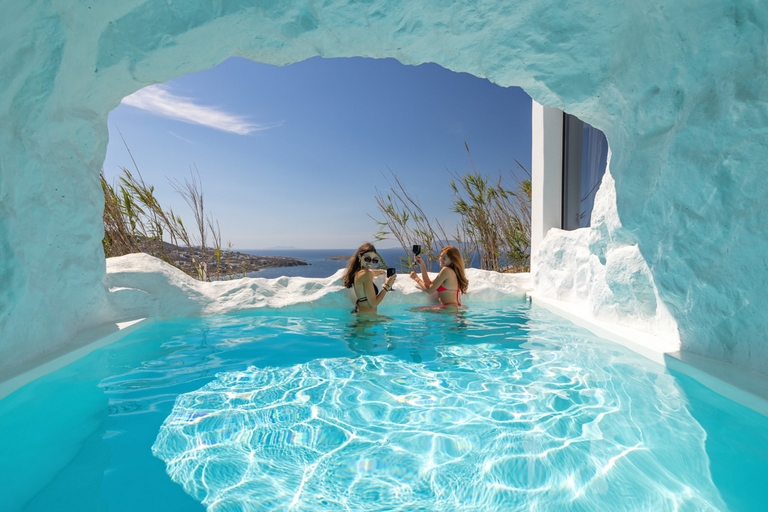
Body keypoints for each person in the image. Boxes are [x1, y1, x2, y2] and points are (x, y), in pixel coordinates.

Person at [341, 243, 397, 314]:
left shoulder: (358, 272)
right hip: (367, 318)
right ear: (360, 256)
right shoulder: (365, 274)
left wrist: (376, 272)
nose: (371, 263)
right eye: (367, 259)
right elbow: (373, 303)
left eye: (374, 260)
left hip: (363, 314)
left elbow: (369, 274)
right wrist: (387, 285)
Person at [410, 246, 469, 310]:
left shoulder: (446, 270)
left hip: (448, 309)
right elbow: (429, 284)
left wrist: (416, 278)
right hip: (453, 308)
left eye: (444, 258)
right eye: (441, 256)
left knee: (412, 310)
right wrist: (422, 265)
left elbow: (429, 290)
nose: (441, 259)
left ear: (452, 260)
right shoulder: (453, 272)